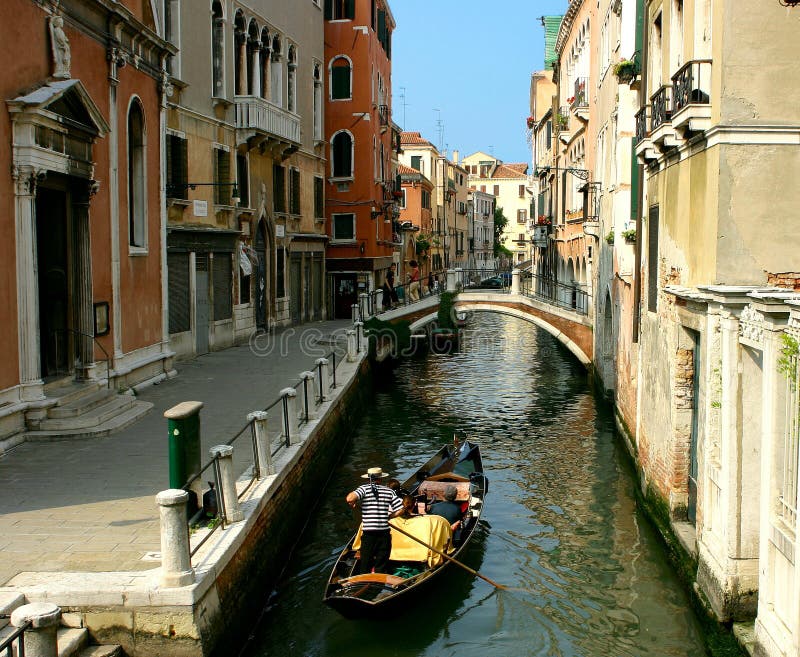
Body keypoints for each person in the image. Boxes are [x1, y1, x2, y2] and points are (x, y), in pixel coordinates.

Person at [346, 467, 404, 574]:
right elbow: (401, 509)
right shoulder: (389, 491)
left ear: (368, 479)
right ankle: (378, 586)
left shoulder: (363, 489)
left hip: (369, 535)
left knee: (365, 565)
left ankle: (365, 584)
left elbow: (349, 499)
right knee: (381, 566)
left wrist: (354, 503)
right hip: (384, 535)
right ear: (381, 479)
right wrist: (389, 517)